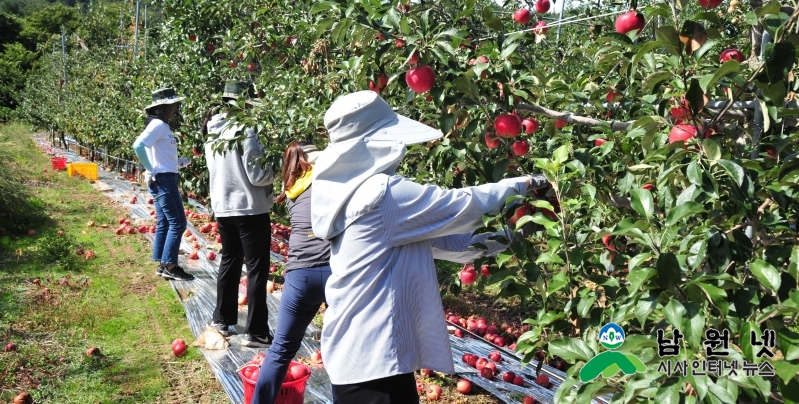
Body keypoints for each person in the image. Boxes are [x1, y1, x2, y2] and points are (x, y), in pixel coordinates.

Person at [310, 91, 548, 403]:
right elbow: (463, 204)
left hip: (372, 356)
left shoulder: (355, 195)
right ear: (374, 143)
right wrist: (529, 183)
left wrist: (520, 228)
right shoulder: (382, 195)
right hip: (372, 362)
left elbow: (456, 245)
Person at [252, 142, 332, 404]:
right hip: (336, 272)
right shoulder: (331, 178)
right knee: (346, 350)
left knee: (280, 350)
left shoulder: (290, 188)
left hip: (300, 274)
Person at [203, 81, 275, 348]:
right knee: (257, 269)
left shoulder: (212, 131)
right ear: (245, 102)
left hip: (223, 207)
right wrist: (275, 172)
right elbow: (257, 176)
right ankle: (256, 332)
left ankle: (222, 319)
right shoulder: (246, 129)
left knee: (229, 261)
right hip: (250, 207)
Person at [133, 87, 195, 282]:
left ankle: (162, 264)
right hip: (163, 180)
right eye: (173, 105)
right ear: (162, 107)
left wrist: (182, 161)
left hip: (165, 177)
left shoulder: (162, 127)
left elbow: (161, 157)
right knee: (178, 222)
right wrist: (151, 169)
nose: (175, 109)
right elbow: (138, 146)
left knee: (165, 222)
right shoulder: (158, 125)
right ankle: (170, 266)